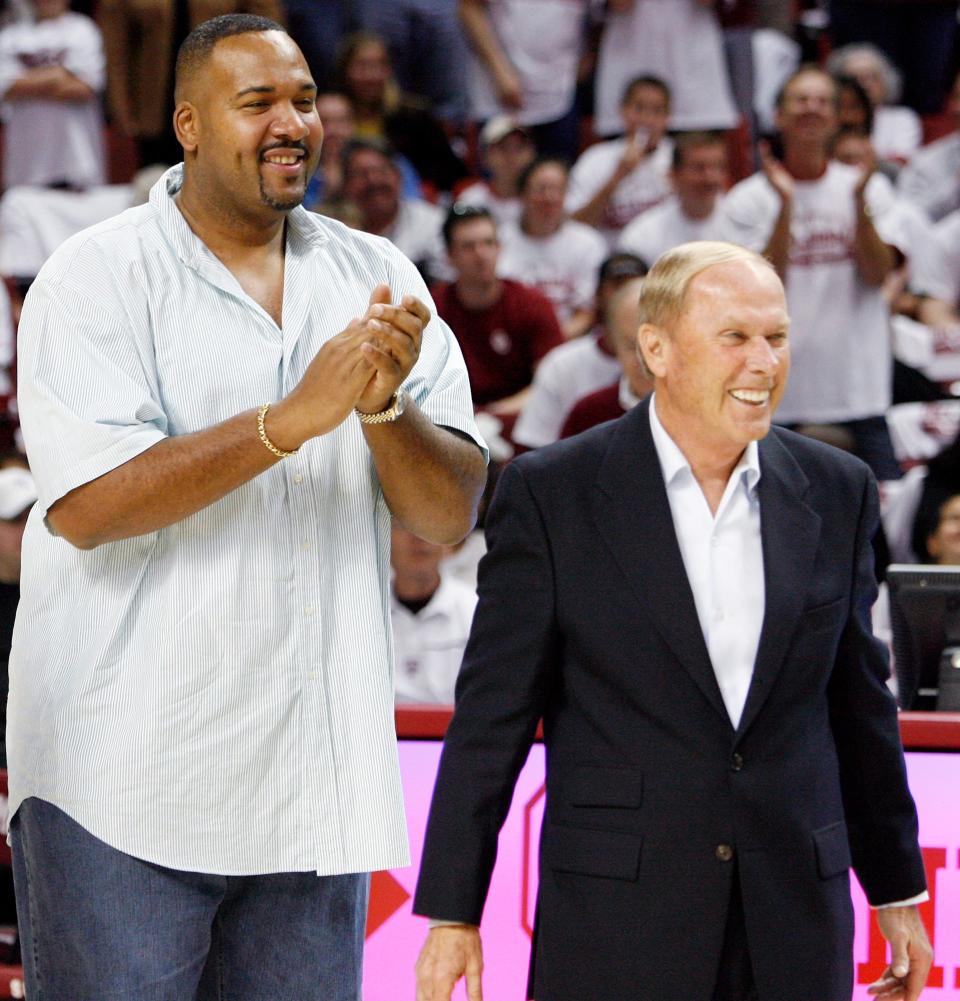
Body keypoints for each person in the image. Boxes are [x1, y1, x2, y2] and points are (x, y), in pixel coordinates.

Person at [7, 14, 486, 1001]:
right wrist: (287, 421)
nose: (292, 123)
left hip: (311, 785)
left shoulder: (379, 277)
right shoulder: (93, 274)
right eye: (257, 100)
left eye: (304, 100)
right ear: (187, 123)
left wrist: (384, 408)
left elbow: (446, 517)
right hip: (123, 782)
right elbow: (89, 505)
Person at [412, 241, 931, 1001]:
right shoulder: (554, 493)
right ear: (656, 347)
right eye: (736, 337)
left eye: (777, 337)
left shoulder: (838, 488)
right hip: (616, 924)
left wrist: (895, 890)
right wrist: (452, 912)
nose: (764, 362)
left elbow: (860, 710)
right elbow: (492, 720)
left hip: (793, 923)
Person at [720, 65, 906, 481]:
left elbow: (878, 274)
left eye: (822, 101)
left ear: (839, 117)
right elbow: (757, 290)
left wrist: (857, 205)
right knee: (777, 525)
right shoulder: (748, 200)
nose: (812, 109)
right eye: (801, 100)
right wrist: (786, 207)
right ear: (779, 116)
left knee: (884, 519)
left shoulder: (868, 189)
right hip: (776, 394)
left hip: (859, 389)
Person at [432, 205, 564, 422]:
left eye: (489, 243)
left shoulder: (532, 304)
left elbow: (552, 384)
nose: (481, 254)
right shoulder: (432, 309)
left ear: (500, 248)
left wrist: (492, 415)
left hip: (523, 419)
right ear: (449, 256)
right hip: (451, 420)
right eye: (468, 246)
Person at [511, 251, 647, 450]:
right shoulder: (585, 404)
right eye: (618, 287)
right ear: (598, 296)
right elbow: (531, 453)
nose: (641, 359)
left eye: (636, 289)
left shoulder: (685, 391)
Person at [497, 157, 607, 340]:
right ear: (522, 194)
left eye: (557, 189)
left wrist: (548, 344)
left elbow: (586, 314)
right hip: (510, 343)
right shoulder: (500, 240)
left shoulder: (588, 243)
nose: (549, 198)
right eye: (541, 189)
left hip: (569, 342)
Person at [0, 0, 106, 190]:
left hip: (76, 162)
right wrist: (59, 74)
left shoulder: (82, 30)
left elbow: (84, 88)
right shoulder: (10, 36)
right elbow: (7, 88)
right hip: (26, 165)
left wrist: (26, 83)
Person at [566, 75, 673, 248]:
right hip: (610, 264)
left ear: (668, 117)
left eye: (657, 111)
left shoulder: (678, 160)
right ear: (623, 111)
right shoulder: (595, 159)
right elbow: (573, 229)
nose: (647, 119)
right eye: (639, 108)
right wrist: (617, 176)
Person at [390, 522, 478, 704]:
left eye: (429, 526)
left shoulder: (475, 611)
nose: (419, 539)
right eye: (404, 526)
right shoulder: (361, 616)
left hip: (457, 730)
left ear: (448, 544)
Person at [341, 136, 448, 284]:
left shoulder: (431, 223)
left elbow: (447, 284)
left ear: (398, 176)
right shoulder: (339, 234)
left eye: (381, 171)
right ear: (346, 186)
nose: (373, 180)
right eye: (361, 174)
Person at [558, 276, 652, 437]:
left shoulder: (703, 410)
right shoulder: (588, 414)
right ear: (614, 345)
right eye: (631, 346)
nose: (644, 359)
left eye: (653, 345)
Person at [618, 130, 728, 266]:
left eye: (717, 167)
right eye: (699, 168)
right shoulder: (643, 234)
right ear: (673, 175)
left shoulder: (742, 222)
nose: (710, 178)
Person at [897, 69, 960, 223]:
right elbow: (907, 221)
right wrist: (955, 186)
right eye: (956, 97)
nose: (958, 108)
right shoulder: (927, 160)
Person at [455, 115, 536, 229]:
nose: (511, 156)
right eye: (502, 147)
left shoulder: (545, 199)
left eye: (519, 147)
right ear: (484, 156)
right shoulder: (470, 201)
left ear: (532, 154)